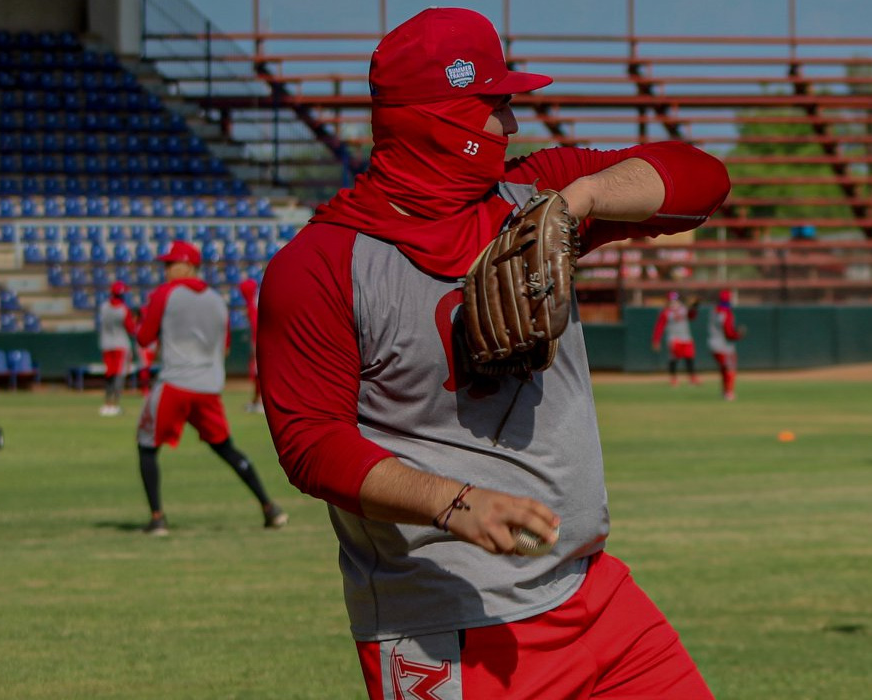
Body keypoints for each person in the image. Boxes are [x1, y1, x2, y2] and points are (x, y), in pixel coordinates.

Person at [258, 8, 729, 697]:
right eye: (496, 106)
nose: (511, 126)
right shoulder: (321, 264)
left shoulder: (532, 199)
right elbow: (309, 442)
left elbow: (703, 178)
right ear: (442, 116)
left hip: (595, 597)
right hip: (451, 624)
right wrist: (452, 502)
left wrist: (585, 198)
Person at [133, 242, 286, 535]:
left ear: (189, 265)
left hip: (175, 383)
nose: (166, 270)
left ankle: (157, 519)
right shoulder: (217, 300)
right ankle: (270, 508)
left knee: (147, 446)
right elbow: (225, 348)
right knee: (225, 448)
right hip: (208, 387)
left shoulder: (165, 293)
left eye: (171, 264)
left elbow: (143, 338)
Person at [97, 281, 140, 416]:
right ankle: (115, 404)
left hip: (106, 344)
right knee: (119, 374)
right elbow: (131, 329)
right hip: (120, 344)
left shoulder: (103, 307)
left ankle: (107, 404)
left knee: (109, 373)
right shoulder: (123, 309)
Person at [652, 292, 702, 387]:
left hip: (686, 338)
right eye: (671, 301)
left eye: (676, 300)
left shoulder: (684, 309)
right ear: (668, 302)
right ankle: (673, 379)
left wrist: (695, 306)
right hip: (674, 339)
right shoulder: (665, 312)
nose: (674, 303)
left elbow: (692, 316)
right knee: (674, 359)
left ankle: (692, 378)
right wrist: (656, 340)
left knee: (689, 358)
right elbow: (659, 326)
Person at [706, 290, 742, 401]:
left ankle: (724, 392)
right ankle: (729, 393)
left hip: (713, 344)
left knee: (724, 369)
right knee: (730, 369)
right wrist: (738, 335)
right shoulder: (727, 313)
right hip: (724, 345)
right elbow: (728, 333)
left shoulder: (714, 311)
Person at [238, 278, 263, 414]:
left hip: (261, 342)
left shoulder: (253, 304)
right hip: (260, 340)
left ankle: (260, 402)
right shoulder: (252, 302)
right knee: (257, 373)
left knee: (260, 373)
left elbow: (256, 327)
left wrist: (255, 346)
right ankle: (256, 400)